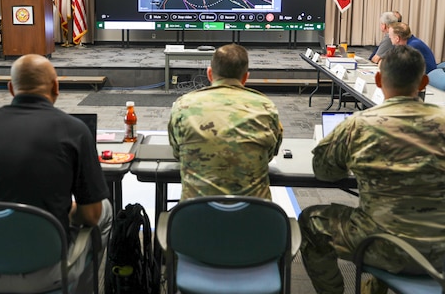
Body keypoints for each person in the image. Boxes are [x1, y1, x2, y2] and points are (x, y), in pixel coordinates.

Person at [0, 54, 112, 293]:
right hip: (44, 271)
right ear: (56, 87)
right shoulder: (75, 131)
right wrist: (66, 213)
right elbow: (90, 215)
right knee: (104, 210)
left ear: (10, 89)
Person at [298, 45, 445, 294]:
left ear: (378, 80)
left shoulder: (359, 125)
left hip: (380, 245)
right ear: (424, 83)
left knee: (311, 222)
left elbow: (324, 171)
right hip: (440, 250)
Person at [167, 43, 283, 201]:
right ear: (245, 78)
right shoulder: (266, 107)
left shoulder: (183, 106)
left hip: (195, 219)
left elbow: (177, 152)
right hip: (254, 219)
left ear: (209, 74)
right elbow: (269, 154)